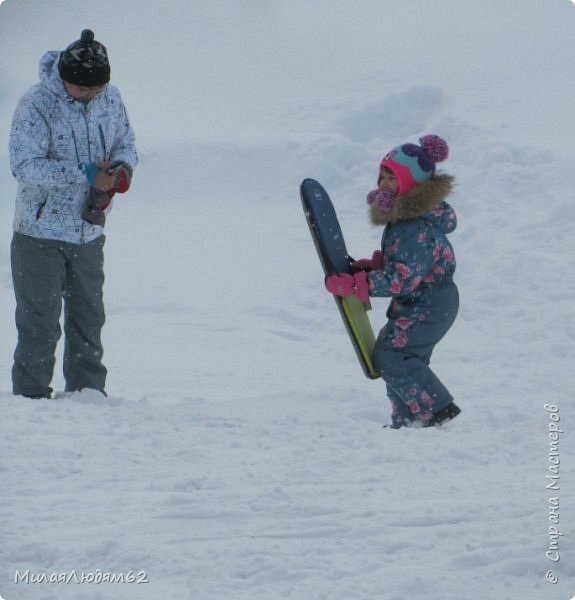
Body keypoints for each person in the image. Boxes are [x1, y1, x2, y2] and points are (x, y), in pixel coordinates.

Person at [9, 29, 138, 399]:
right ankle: (30, 401)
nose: (91, 95)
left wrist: (123, 170)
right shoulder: (35, 105)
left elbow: (126, 142)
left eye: (97, 89)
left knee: (89, 322)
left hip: (88, 231)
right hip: (39, 236)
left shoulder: (109, 98)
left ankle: (88, 397)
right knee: (40, 325)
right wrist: (84, 173)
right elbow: (24, 166)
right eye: (84, 89)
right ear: (65, 78)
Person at [326, 135, 460, 428]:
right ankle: (408, 421)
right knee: (402, 357)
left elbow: (402, 279)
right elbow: (406, 265)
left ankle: (436, 409)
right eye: (383, 175)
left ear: (412, 184)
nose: (384, 183)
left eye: (393, 177)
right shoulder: (406, 220)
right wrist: (374, 267)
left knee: (392, 355)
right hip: (424, 300)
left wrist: (359, 285)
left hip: (429, 303)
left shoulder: (414, 226)